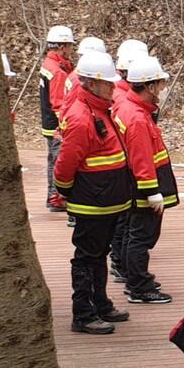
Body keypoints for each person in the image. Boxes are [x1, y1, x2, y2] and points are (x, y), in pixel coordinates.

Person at [53, 50, 133, 334]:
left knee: (99, 253)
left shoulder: (100, 110)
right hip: (92, 201)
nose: (114, 87)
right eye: (108, 83)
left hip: (107, 200)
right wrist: (66, 190)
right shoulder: (81, 116)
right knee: (87, 256)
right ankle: (83, 313)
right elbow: (66, 163)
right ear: (91, 83)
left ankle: (100, 302)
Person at [117, 55, 178, 305]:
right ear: (149, 86)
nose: (163, 90)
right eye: (160, 85)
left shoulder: (133, 109)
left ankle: (136, 278)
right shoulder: (138, 117)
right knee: (141, 237)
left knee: (137, 235)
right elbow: (142, 158)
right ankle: (139, 287)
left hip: (137, 184)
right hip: (143, 188)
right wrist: (152, 192)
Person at [109, 39, 150, 283]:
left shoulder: (120, 95)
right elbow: (138, 148)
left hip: (124, 171)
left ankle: (121, 264)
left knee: (126, 224)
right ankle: (128, 271)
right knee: (131, 227)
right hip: (130, 174)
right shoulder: (126, 102)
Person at [39, 25, 77, 213]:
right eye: (70, 46)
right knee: (58, 160)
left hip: (49, 124)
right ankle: (56, 198)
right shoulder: (57, 72)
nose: (72, 50)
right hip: (56, 126)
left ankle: (53, 196)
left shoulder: (49, 64)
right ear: (62, 46)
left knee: (54, 159)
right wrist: (65, 127)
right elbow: (59, 103)